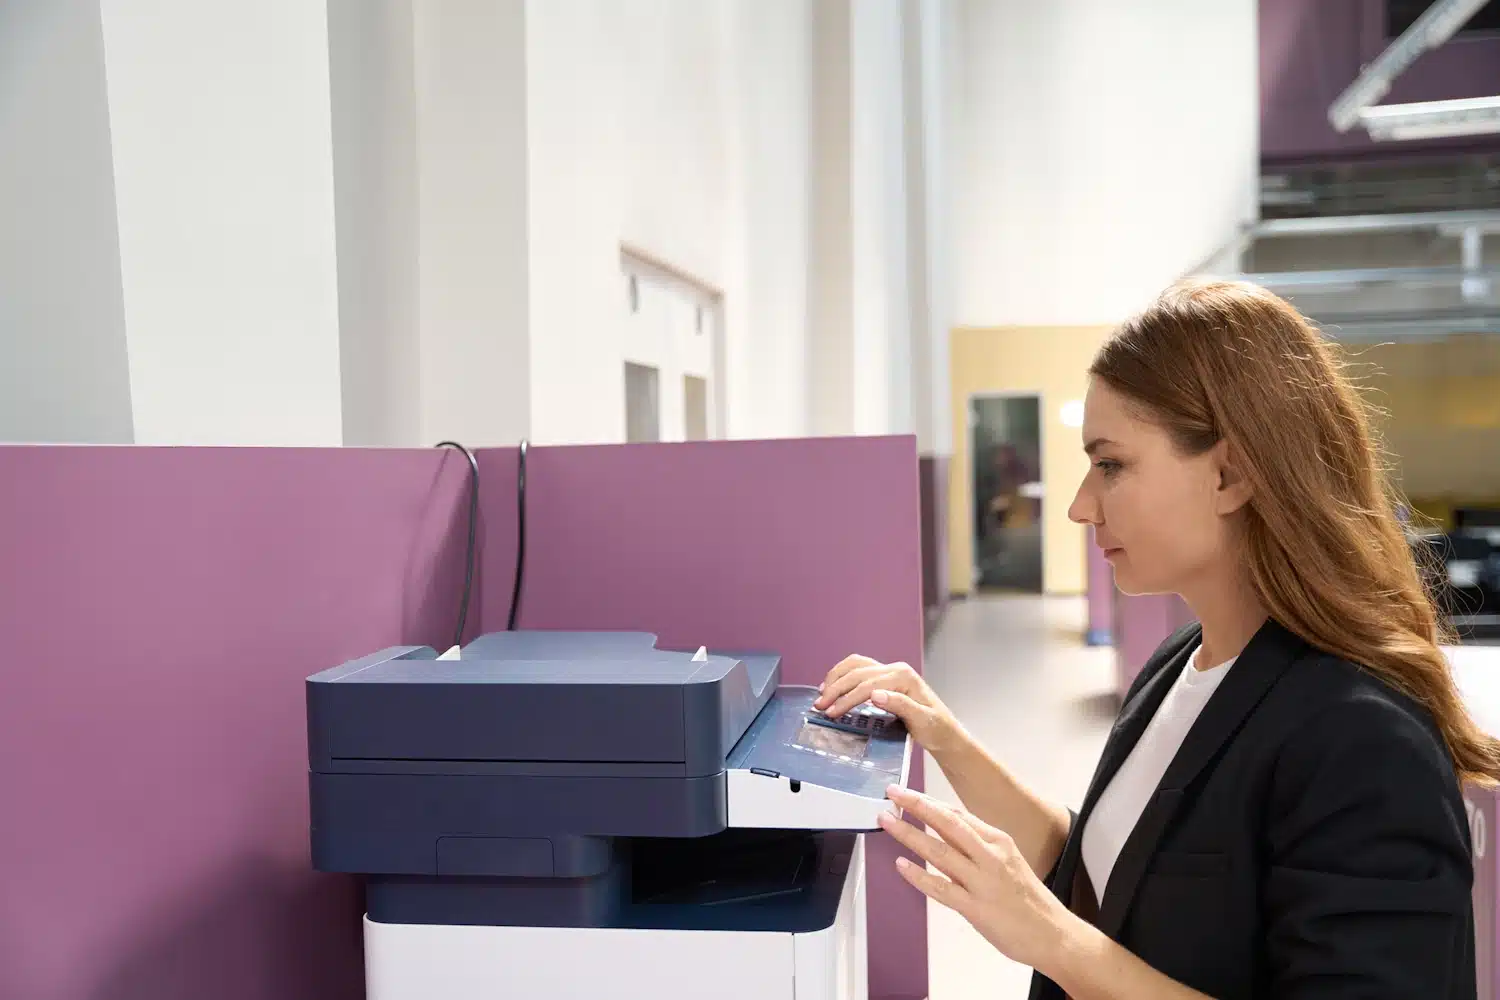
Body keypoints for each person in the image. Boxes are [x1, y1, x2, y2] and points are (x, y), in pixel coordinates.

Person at [814, 278, 1495, 999]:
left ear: (1231, 474)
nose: (1079, 505)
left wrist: (1052, 939)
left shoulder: (1362, 741)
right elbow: (1106, 869)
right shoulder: (1184, 663)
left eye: (1110, 464)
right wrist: (942, 732)